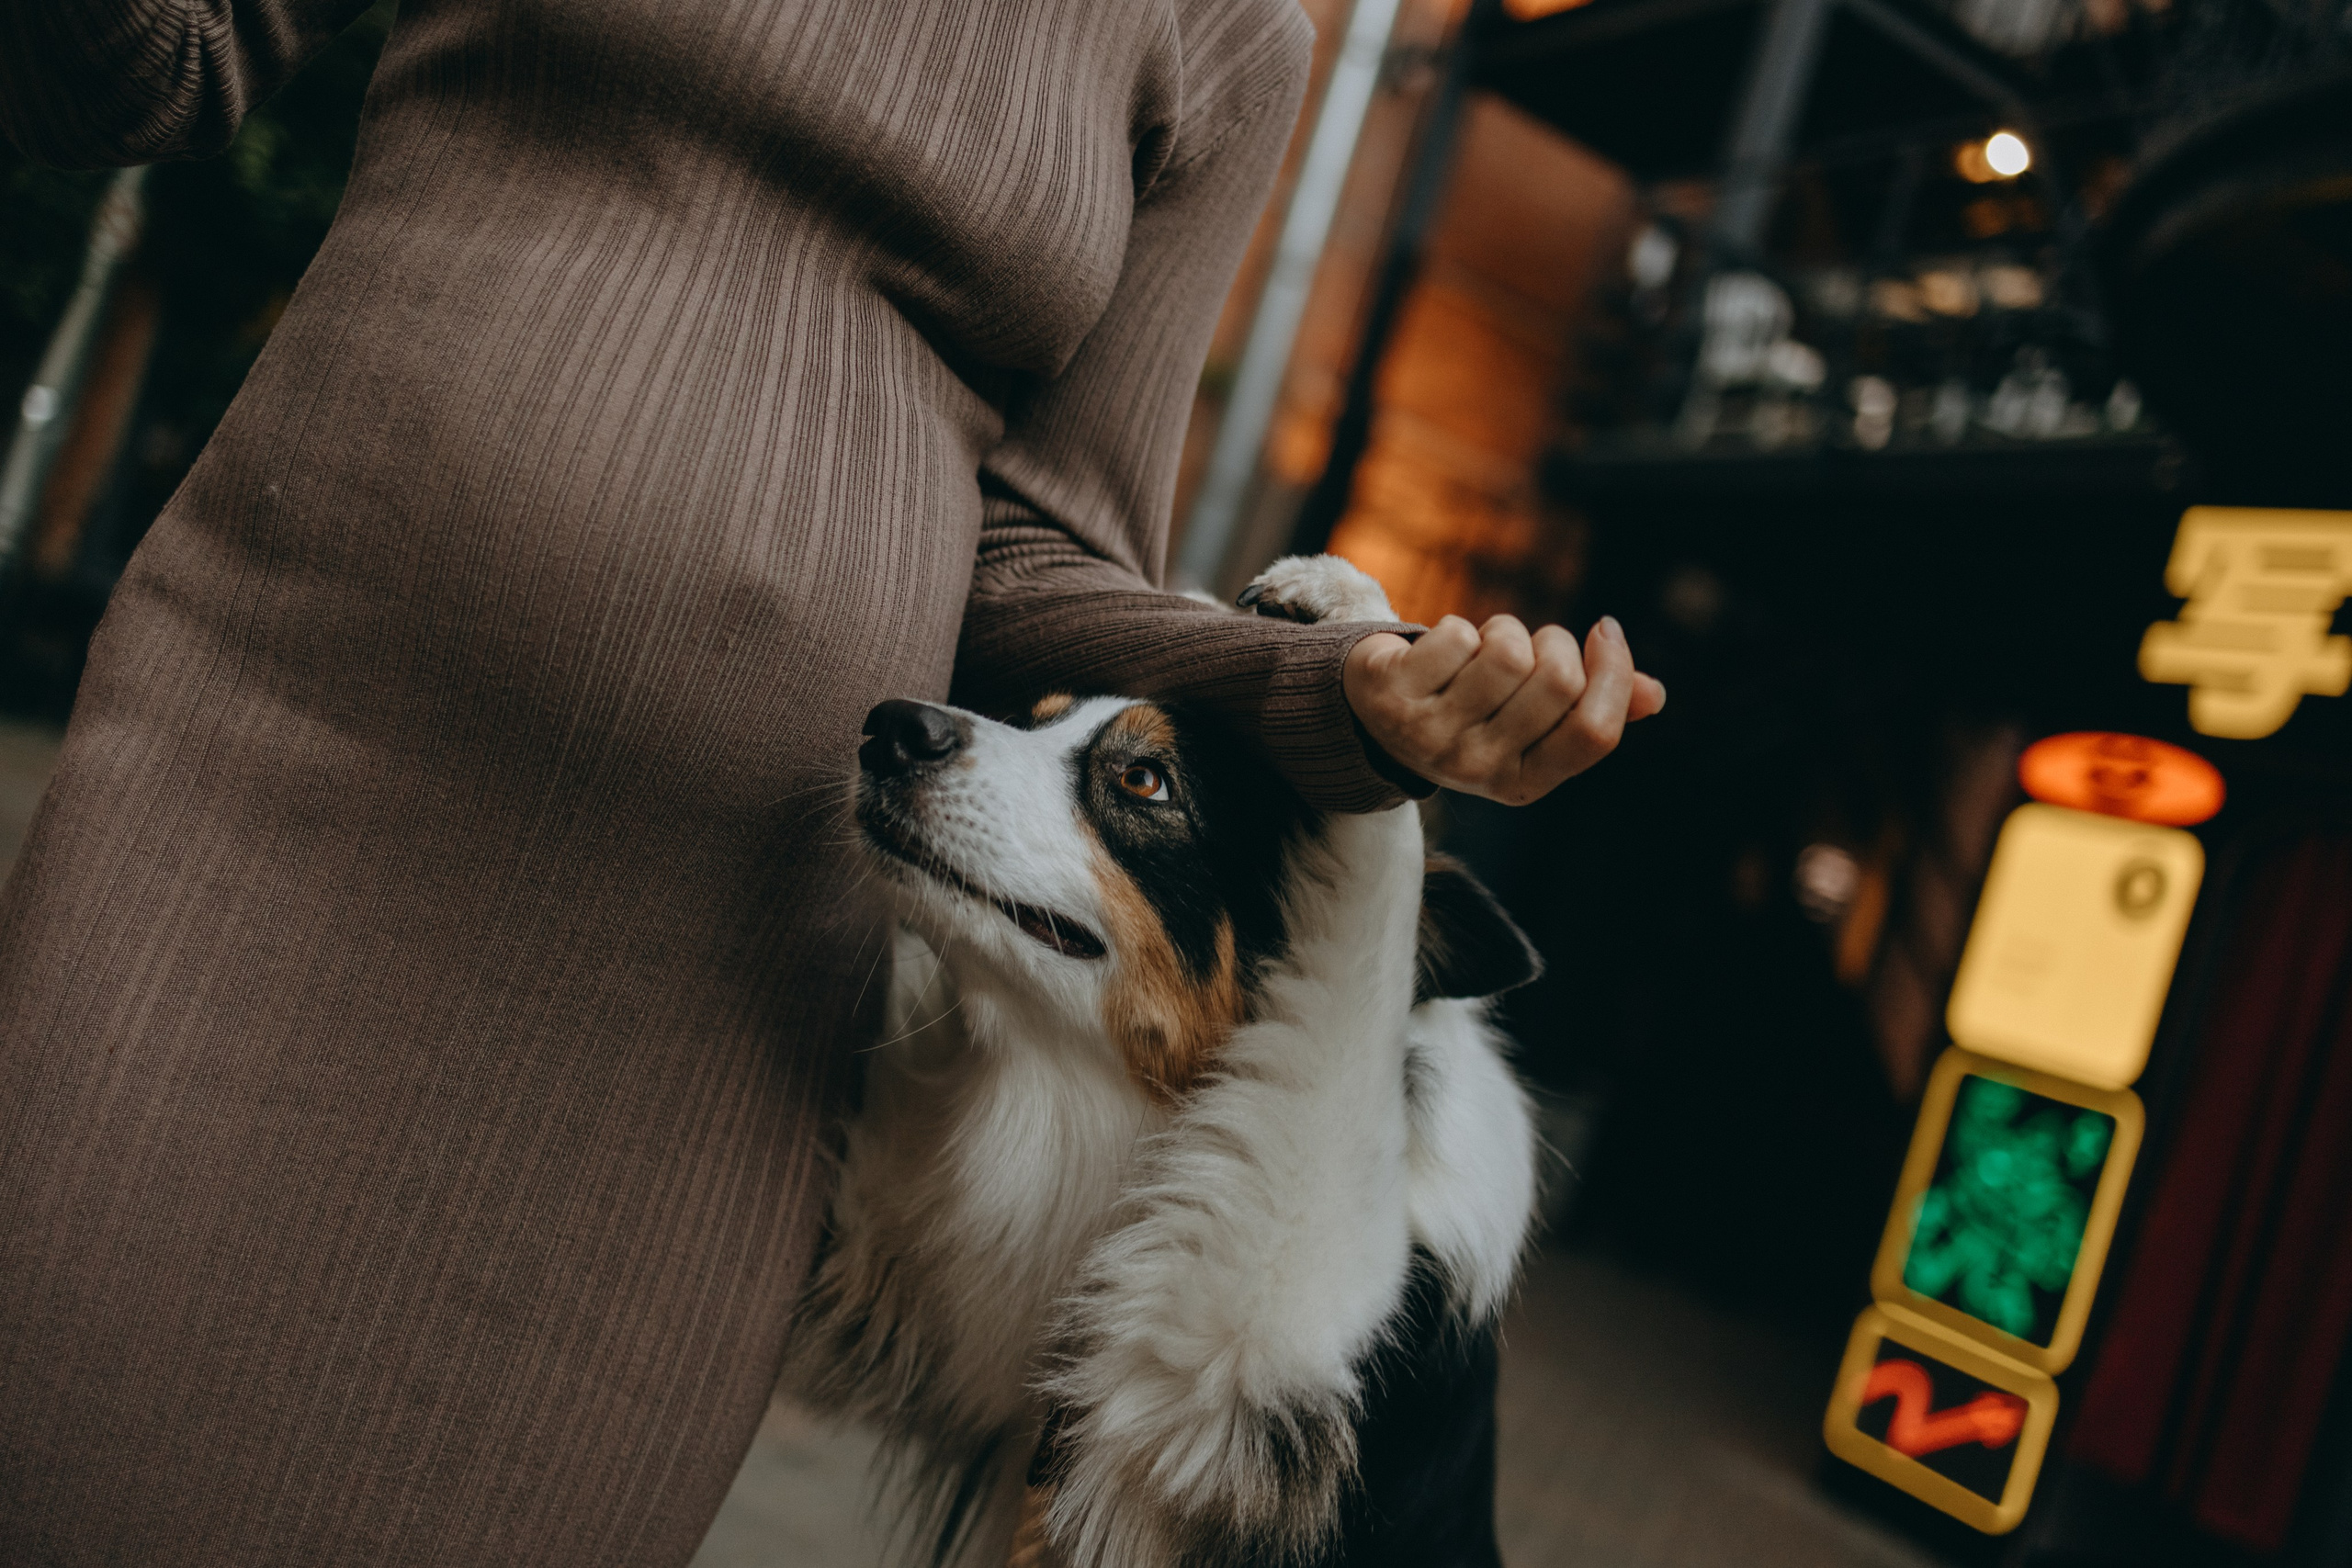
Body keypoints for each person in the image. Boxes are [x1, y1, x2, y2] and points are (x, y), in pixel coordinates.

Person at [0, 1, 1661, 1562]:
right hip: (291, 753)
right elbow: (144, 62)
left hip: (713, 971)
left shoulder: (1227, 31)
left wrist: (1338, 697)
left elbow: (1045, 549)